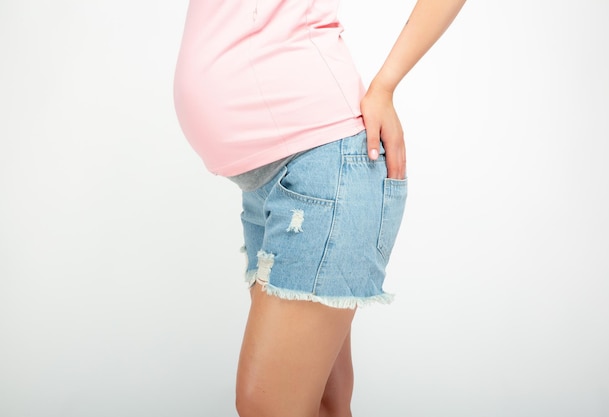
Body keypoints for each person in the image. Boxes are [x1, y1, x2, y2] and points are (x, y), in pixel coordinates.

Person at [173, 1, 466, 416]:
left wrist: (384, 86)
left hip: (321, 166)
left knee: (268, 405)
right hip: (270, 184)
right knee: (325, 401)